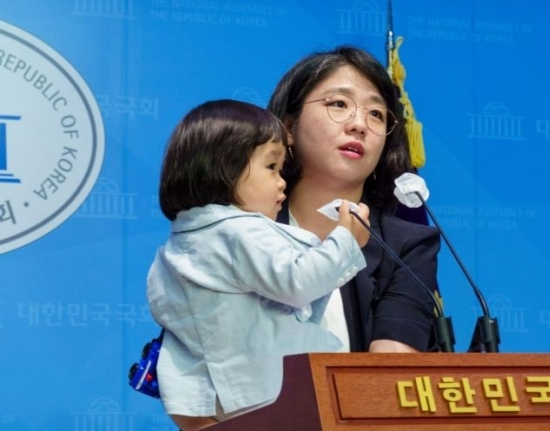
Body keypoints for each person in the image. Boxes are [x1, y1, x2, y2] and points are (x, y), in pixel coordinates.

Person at [146, 99, 370, 430]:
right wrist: (345, 239)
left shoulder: (181, 242)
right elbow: (298, 283)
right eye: (271, 167)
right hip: (258, 394)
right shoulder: (240, 230)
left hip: (208, 400)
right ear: (226, 167)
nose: (282, 182)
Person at [268, 45, 443, 353]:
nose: (359, 124)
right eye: (338, 104)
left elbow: (388, 380)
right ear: (289, 127)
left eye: (376, 114)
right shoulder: (249, 229)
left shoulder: (406, 247)